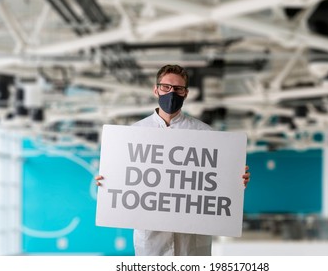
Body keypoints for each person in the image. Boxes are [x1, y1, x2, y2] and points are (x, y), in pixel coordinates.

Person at [96, 64, 250, 256]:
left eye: (178, 89)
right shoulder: (133, 134)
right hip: (152, 242)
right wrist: (107, 181)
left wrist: (236, 180)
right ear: (156, 89)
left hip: (192, 242)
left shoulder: (206, 135)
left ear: (186, 93)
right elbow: (123, 178)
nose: (172, 93)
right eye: (166, 87)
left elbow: (219, 185)